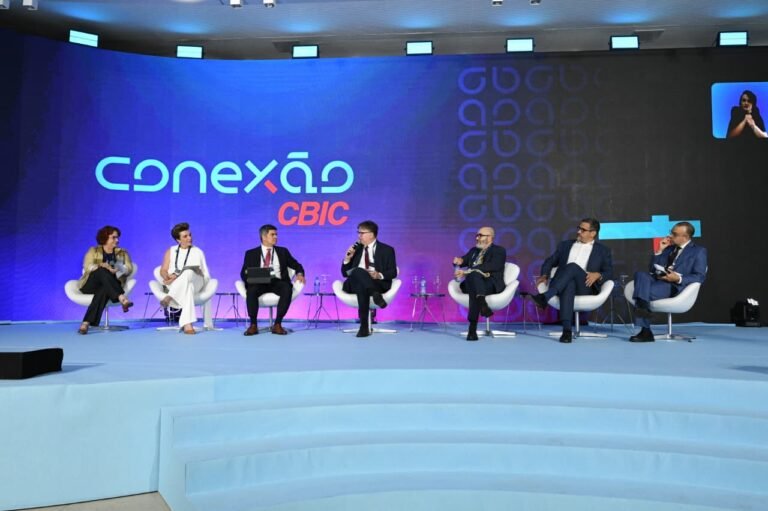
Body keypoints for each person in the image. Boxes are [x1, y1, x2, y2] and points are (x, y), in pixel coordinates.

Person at [532, 218, 613, 343]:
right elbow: (550, 261)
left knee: (572, 266)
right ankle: (567, 331)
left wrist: (598, 274)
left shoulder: (603, 251)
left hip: (585, 285)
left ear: (593, 233)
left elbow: (609, 272)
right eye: (578, 228)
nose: (579, 232)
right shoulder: (565, 245)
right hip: (563, 284)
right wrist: (544, 275)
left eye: (583, 230)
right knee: (569, 283)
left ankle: (546, 296)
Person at [629, 221, 707, 342]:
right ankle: (645, 329)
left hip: (673, 285)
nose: (670, 236)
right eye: (671, 232)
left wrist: (678, 278)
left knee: (641, 293)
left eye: (674, 234)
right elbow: (652, 269)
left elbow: (700, 276)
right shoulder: (669, 248)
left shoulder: (698, 251)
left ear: (685, 237)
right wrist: (660, 250)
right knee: (640, 274)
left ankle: (645, 330)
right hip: (658, 279)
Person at [241, 224, 305, 336]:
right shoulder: (251, 253)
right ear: (264, 237)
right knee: (251, 290)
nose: (276, 237)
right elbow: (243, 273)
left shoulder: (283, 251)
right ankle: (253, 325)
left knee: (287, 289)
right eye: (272, 234)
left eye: (276, 234)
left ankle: (277, 324)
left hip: (277, 282)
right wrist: (250, 279)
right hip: (259, 282)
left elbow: (297, 265)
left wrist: (299, 274)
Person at [341, 220, 397, 338]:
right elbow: (344, 274)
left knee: (362, 286)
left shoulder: (387, 250)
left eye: (362, 233)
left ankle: (364, 327)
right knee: (358, 271)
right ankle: (374, 294)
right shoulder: (356, 250)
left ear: (371, 234)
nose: (359, 236)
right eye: (358, 233)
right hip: (353, 283)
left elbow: (393, 272)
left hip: (376, 282)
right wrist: (347, 259)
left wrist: (379, 275)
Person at [155, 222, 211, 335]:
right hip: (176, 283)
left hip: (197, 281)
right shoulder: (171, 251)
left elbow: (203, 272)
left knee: (188, 272)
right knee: (188, 288)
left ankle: (169, 296)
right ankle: (187, 325)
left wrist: (178, 275)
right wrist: (167, 277)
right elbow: (163, 270)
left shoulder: (198, 251)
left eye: (190, 235)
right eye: (185, 236)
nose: (189, 238)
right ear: (178, 240)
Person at [76, 225, 134, 334]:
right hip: (91, 284)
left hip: (110, 286)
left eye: (117, 237)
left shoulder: (122, 252)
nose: (117, 240)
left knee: (103, 288)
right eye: (114, 237)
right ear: (105, 237)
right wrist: (101, 265)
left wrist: (118, 269)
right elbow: (87, 267)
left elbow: (129, 269)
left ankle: (86, 323)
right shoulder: (94, 251)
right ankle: (121, 297)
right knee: (102, 270)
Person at [452, 227, 507, 341]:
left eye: (480, 235)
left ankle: (472, 329)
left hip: (490, 284)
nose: (477, 238)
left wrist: (469, 271)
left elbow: (493, 266)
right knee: (474, 278)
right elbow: (463, 260)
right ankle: (482, 304)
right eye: (477, 235)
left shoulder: (499, 250)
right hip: (474, 284)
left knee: (474, 277)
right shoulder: (474, 250)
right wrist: (458, 261)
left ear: (490, 237)